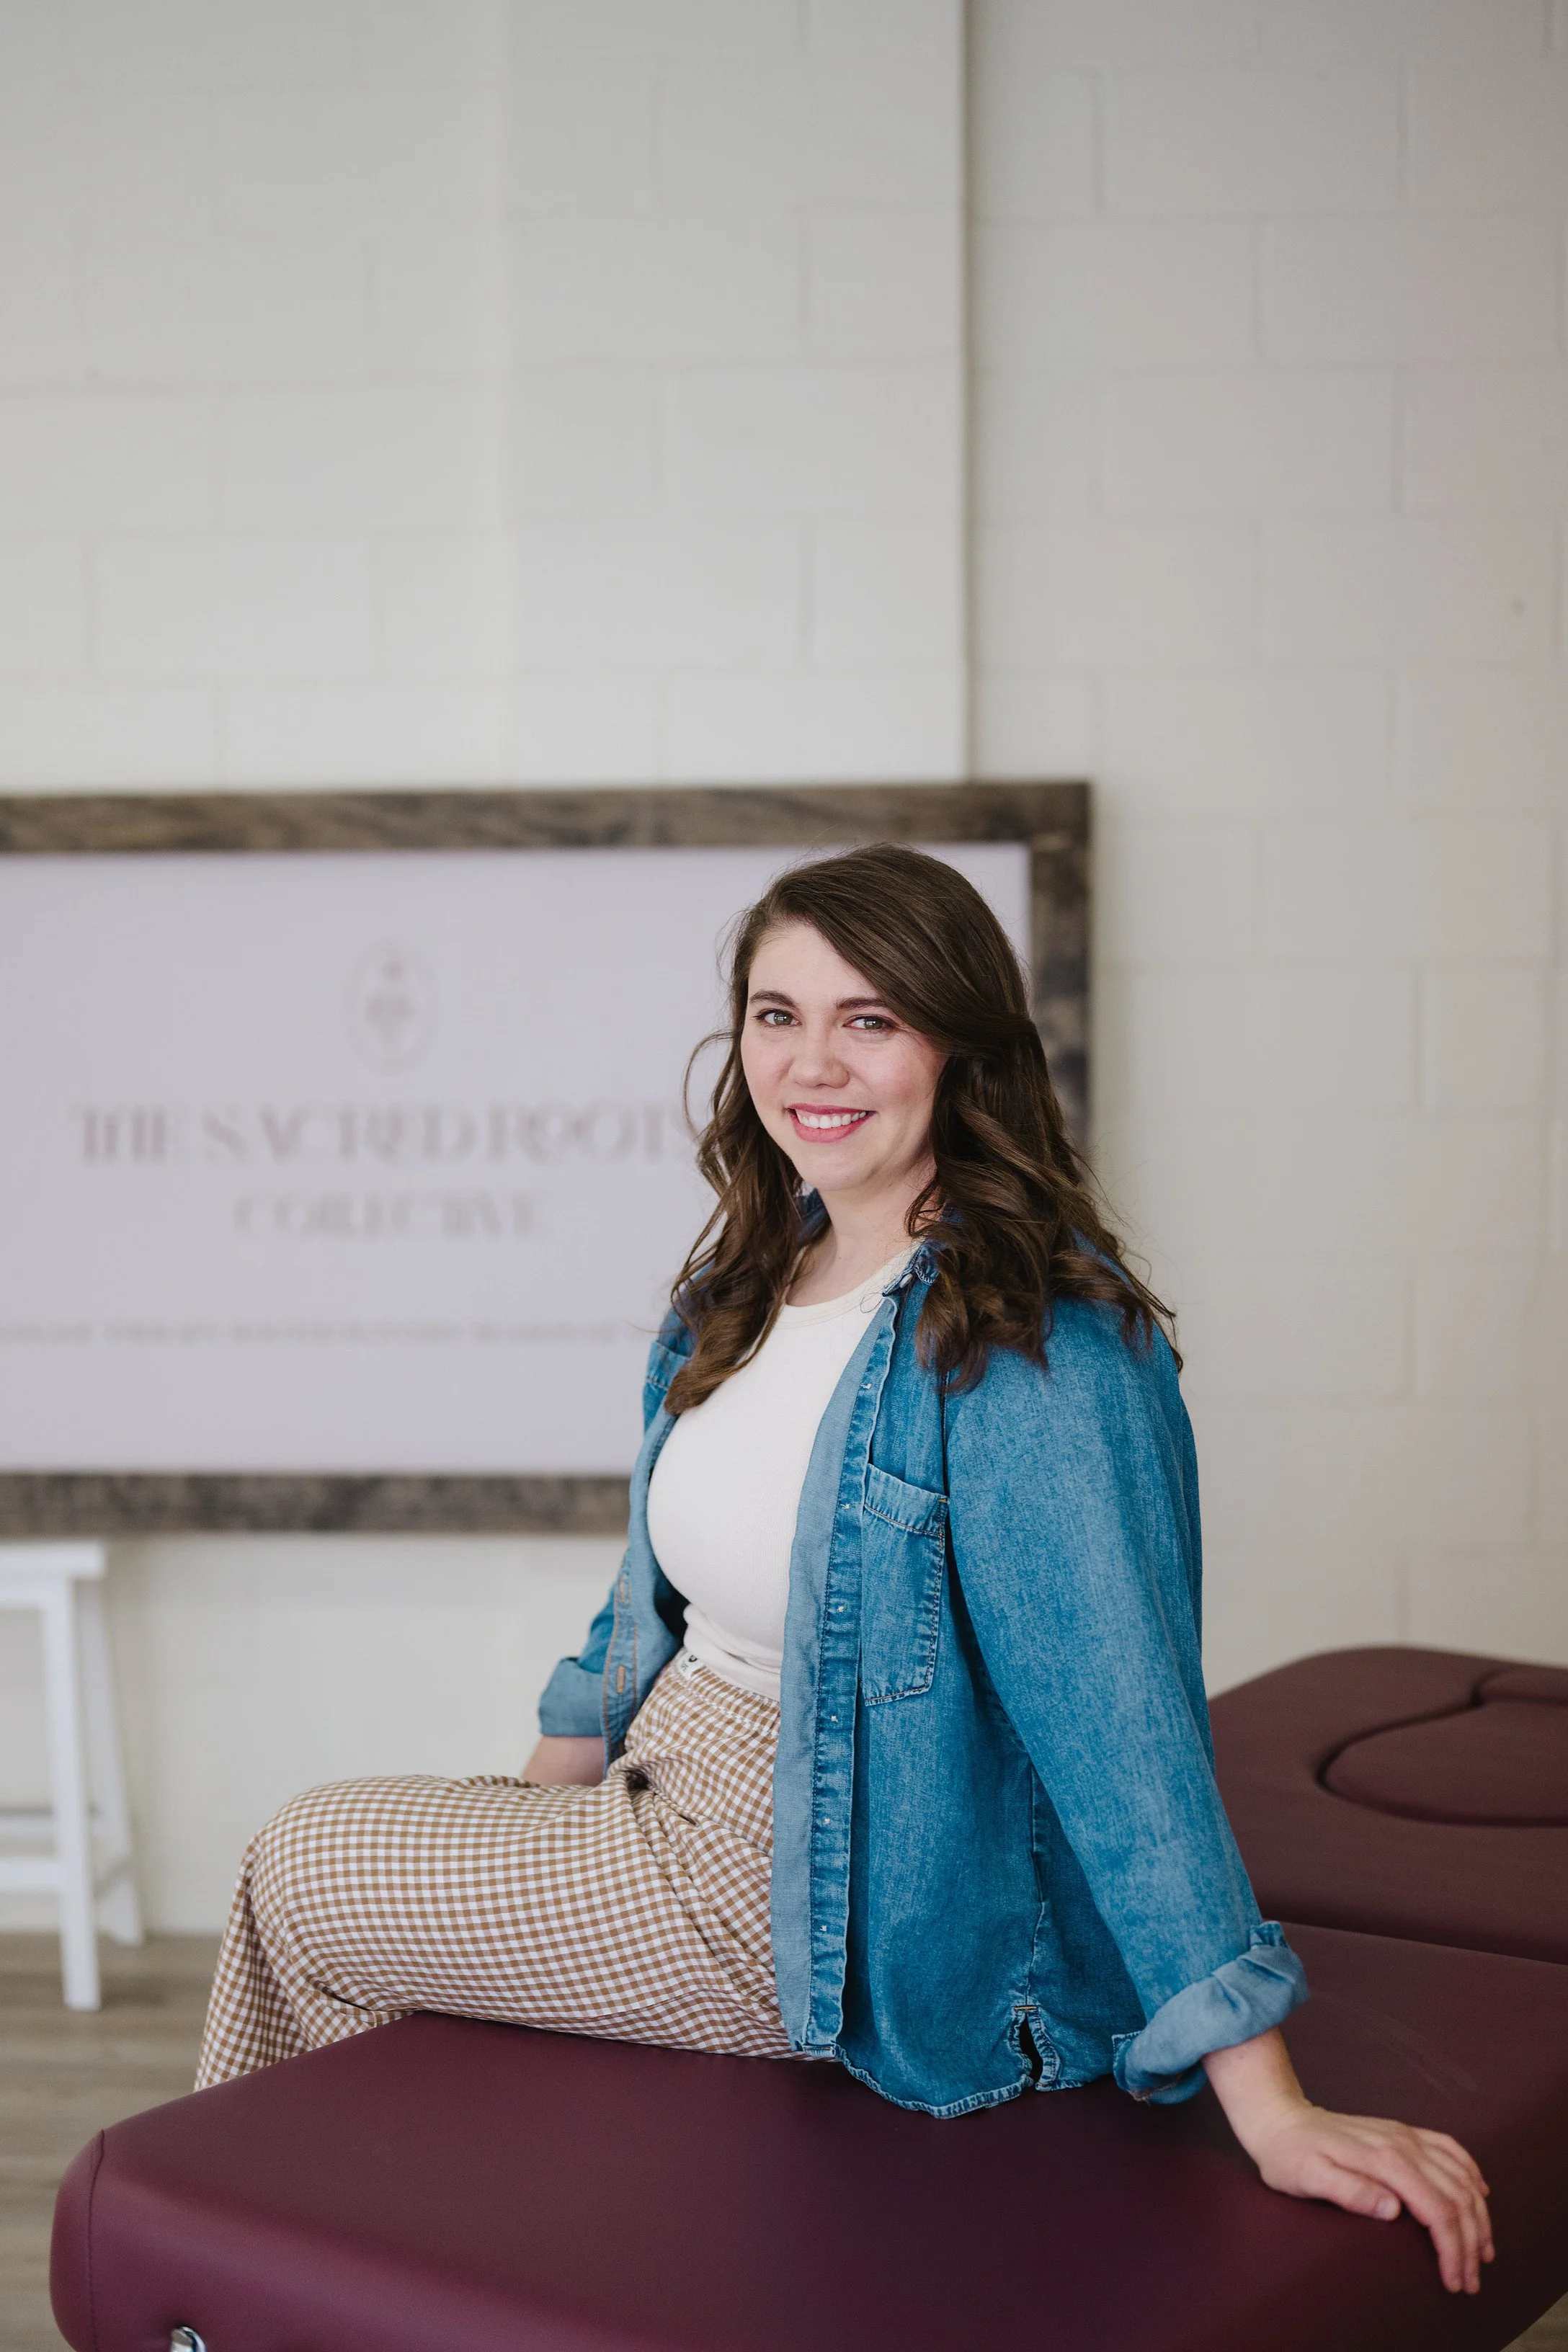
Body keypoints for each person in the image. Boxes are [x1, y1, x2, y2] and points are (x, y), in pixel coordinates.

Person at [197, 844, 1491, 2297]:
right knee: (370, 1897)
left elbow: (1121, 1731)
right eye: (774, 1013)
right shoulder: (743, 1288)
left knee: (299, 1863)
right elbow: (637, 1615)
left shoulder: (1028, 1345)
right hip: (663, 1792)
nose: (811, 1060)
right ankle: (359, 2295)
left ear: (956, 1047)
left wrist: (1271, 2108)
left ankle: (262, 2305)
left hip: (809, 1877)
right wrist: (513, 1828)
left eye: (867, 1019)